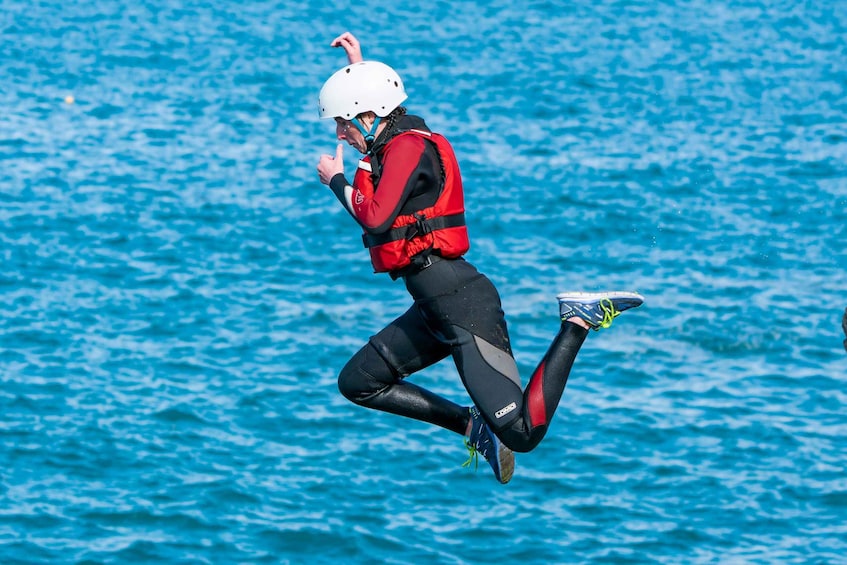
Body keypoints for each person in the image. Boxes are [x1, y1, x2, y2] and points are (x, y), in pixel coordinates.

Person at [315, 32, 644, 484]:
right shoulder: (390, 141)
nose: (338, 133)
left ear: (368, 116)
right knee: (358, 382)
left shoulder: (409, 147)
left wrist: (335, 181)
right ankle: (474, 428)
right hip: (434, 309)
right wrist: (359, 65)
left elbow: (375, 216)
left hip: (462, 306)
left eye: (342, 122)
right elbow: (375, 123)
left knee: (524, 433)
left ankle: (577, 321)